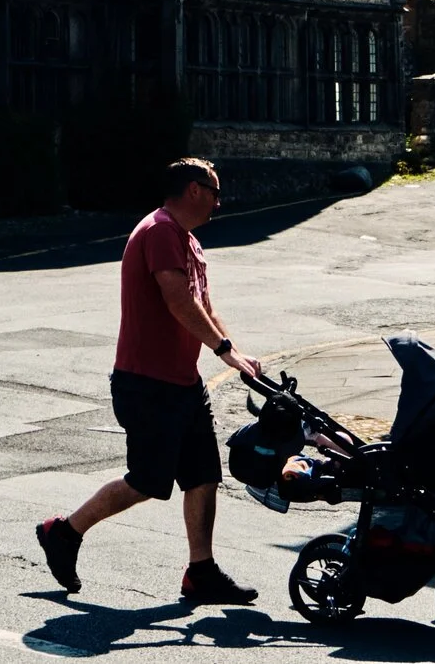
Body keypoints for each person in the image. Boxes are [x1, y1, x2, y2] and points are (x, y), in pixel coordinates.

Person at [36, 157, 262, 607]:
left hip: (182, 382)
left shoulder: (189, 242)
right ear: (194, 190)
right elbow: (177, 300)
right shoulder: (159, 231)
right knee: (147, 481)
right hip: (147, 384)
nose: (219, 202)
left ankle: (201, 572)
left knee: (202, 475)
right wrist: (222, 352)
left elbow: (204, 305)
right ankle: (63, 532)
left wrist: (233, 348)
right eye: (215, 192)